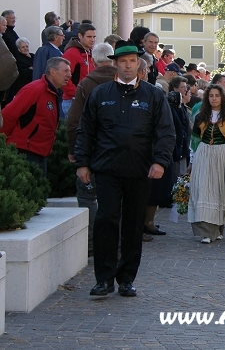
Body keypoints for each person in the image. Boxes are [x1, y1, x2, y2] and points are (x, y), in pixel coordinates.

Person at [75, 41, 175, 297]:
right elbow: (86, 130)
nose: (128, 66)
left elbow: (165, 132)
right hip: (106, 168)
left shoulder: (153, 95)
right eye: (123, 62)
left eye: (132, 61)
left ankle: (127, 278)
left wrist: (160, 161)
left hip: (139, 170)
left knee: (132, 224)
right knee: (106, 219)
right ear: (115, 65)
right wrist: (82, 163)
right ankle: (104, 279)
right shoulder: (101, 94)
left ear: (138, 65)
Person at [66, 43, 117, 255]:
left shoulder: (87, 83)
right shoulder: (126, 81)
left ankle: (91, 243)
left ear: (94, 61)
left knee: (88, 195)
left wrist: (73, 150)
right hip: (120, 149)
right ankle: (117, 242)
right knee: (118, 196)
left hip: (93, 148)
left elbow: (73, 120)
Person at [188, 84, 225, 243]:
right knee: (204, 190)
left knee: (219, 190)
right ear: (207, 98)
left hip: (222, 155)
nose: (214, 98)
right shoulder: (200, 117)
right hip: (204, 154)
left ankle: (219, 228)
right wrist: (193, 160)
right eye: (211, 96)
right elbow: (194, 140)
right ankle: (208, 231)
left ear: (222, 98)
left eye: (217, 96)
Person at [0, 57, 71, 177]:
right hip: (25, 151)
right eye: (66, 71)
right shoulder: (34, 89)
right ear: (53, 72)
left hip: (40, 153)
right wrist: (3, 143)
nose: (69, 75)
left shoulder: (53, 92)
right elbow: (9, 114)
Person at [62, 23, 97, 116]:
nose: (92, 40)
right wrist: (77, 93)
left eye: (94, 37)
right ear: (80, 36)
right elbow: (63, 78)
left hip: (87, 99)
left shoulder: (91, 52)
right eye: (89, 37)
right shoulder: (71, 53)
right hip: (73, 101)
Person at [4, 37, 34, 105]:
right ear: (19, 49)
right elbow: (26, 73)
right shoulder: (18, 60)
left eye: (27, 46)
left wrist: (32, 68)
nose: (26, 48)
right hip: (22, 86)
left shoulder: (33, 56)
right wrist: (32, 69)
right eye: (23, 47)